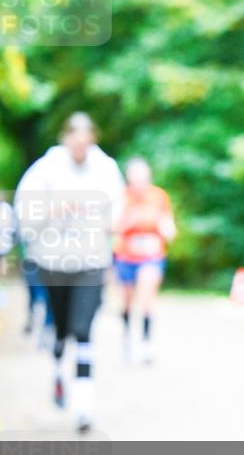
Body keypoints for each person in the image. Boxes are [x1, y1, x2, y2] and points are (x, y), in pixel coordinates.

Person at [15, 112, 125, 433]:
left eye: (85, 141)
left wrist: (106, 224)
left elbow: (119, 211)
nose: (80, 148)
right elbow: (24, 216)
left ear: (92, 139)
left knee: (83, 329)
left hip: (90, 262)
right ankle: (58, 370)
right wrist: (54, 211)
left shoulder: (106, 170)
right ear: (65, 138)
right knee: (62, 328)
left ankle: (83, 405)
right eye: (75, 141)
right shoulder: (44, 170)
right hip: (53, 263)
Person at [114, 157, 175, 364]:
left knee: (147, 297)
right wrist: (131, 221)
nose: (139, 180)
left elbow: (167, 222)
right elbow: (113, 226)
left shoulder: (158, 196)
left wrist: (167, 229)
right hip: (126, 256)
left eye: (143, 176)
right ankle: (127, 339)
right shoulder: (121, 197)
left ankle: (146, 342)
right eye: (135, 176)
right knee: (127, 301)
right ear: (129, 177)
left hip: (151, 255)